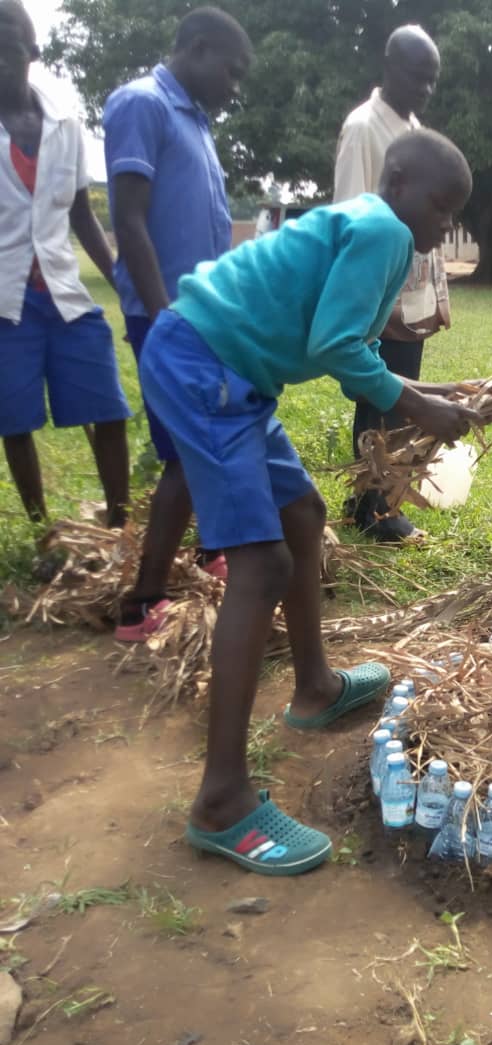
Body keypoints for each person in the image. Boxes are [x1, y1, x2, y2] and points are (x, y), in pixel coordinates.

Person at [139, 130, 479, 874]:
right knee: (260, 565)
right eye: (438, 205)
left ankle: (316, 686)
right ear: (398, 180)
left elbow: (344, 324)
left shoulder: (366, 218)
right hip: (206, 366)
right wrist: (417, 407)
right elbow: (334, 344)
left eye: (454, 215)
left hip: (228, 368)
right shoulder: (386, 228)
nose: (441, 226)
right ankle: (222, 801)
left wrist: (424, 394)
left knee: (303, 516)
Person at [104, 6, 252, 641]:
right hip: (165, 317)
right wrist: (165, 316)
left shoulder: (196, 120)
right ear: (195, 49)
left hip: (202, 315)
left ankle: (209, 549)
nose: (235, 87)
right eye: (232, 71)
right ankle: (142, 602)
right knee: (189, 454)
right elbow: (130, 217)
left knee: (208, 440)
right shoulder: (142, 105)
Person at [0, 0, 129, 527]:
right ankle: (43, 529)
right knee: (14, 421)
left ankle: (119, 525)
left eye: (8, 47)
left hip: (65, 296)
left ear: (33, 51)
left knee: (109, 409)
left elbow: (81, 214)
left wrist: (123, 281)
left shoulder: (65, 125)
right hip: (6, 303)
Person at [334, 24, 450, 541]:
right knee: (378, 398)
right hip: (380, 291)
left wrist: (435, 290)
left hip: (412, 290)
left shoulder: (414, 129)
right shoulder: (364, 128)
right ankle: (371, 507)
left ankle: (383, 498)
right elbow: (349, 212)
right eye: (416, 75)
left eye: (432, 80)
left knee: (400, 397)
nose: (424, 88)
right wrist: (368, 299)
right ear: (388, 65)